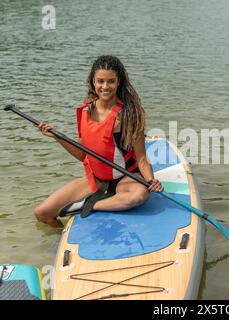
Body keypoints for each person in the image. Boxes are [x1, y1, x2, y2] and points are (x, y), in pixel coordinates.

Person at [34, 55, 163, 228]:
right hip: (95, 179)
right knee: (42, 213)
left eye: (111, 81)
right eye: (100, 81)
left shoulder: (128, 115)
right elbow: (82, 155)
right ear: (93, 82)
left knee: (139, 195)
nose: (105, 86)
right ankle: (61, 237)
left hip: (125, 178)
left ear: (119, 82)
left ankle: (88, 206)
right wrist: (58, 137)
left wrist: (150, 180)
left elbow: (141, 159)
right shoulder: (85, 111)